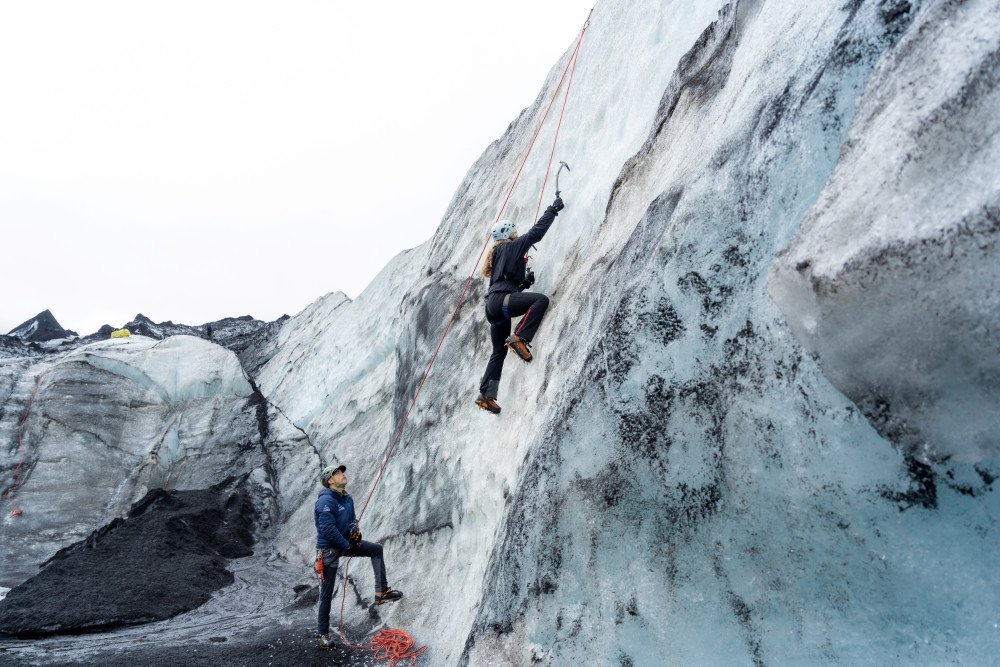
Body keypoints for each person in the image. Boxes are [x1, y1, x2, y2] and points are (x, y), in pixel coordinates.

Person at [476, 195, 565, 414]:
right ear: (509, 234)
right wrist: (552, 210)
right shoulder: (510, 247)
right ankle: (520, 337)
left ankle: (486, 395)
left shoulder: (497, 254)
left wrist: (523, 283)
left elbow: (503, 282)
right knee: (541, 300)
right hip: (501, 302)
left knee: (498, 352)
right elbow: (536, 234)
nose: (517, 235)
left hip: (494, 307)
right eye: (514, 232)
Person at [315, 463, 403, 649]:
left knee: (376, 550)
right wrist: (347, 544)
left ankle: (381, 592)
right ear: (330, 481)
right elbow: (327, 529)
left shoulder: (347, 498)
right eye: (338, 473)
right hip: (329, 549)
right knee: (327, 593)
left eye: (342, 472)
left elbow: (352, 520)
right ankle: (322, 635)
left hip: (345, 543)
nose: (342, 475)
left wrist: (355, 532)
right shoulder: (325, 501)